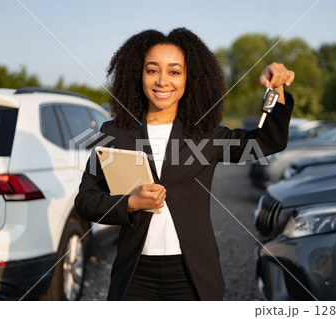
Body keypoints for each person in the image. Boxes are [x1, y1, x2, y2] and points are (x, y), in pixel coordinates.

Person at [75, 27, 295, 301]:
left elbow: (267, 142)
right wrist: (130, 203)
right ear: (138, 75)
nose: (162, 81)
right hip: (135, 276)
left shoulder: (206, 134)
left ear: (190, 78)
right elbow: (85, 200)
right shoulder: (114, 133)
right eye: (152, 70)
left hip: (192, 275)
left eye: (174, 71)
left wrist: (276, 90)